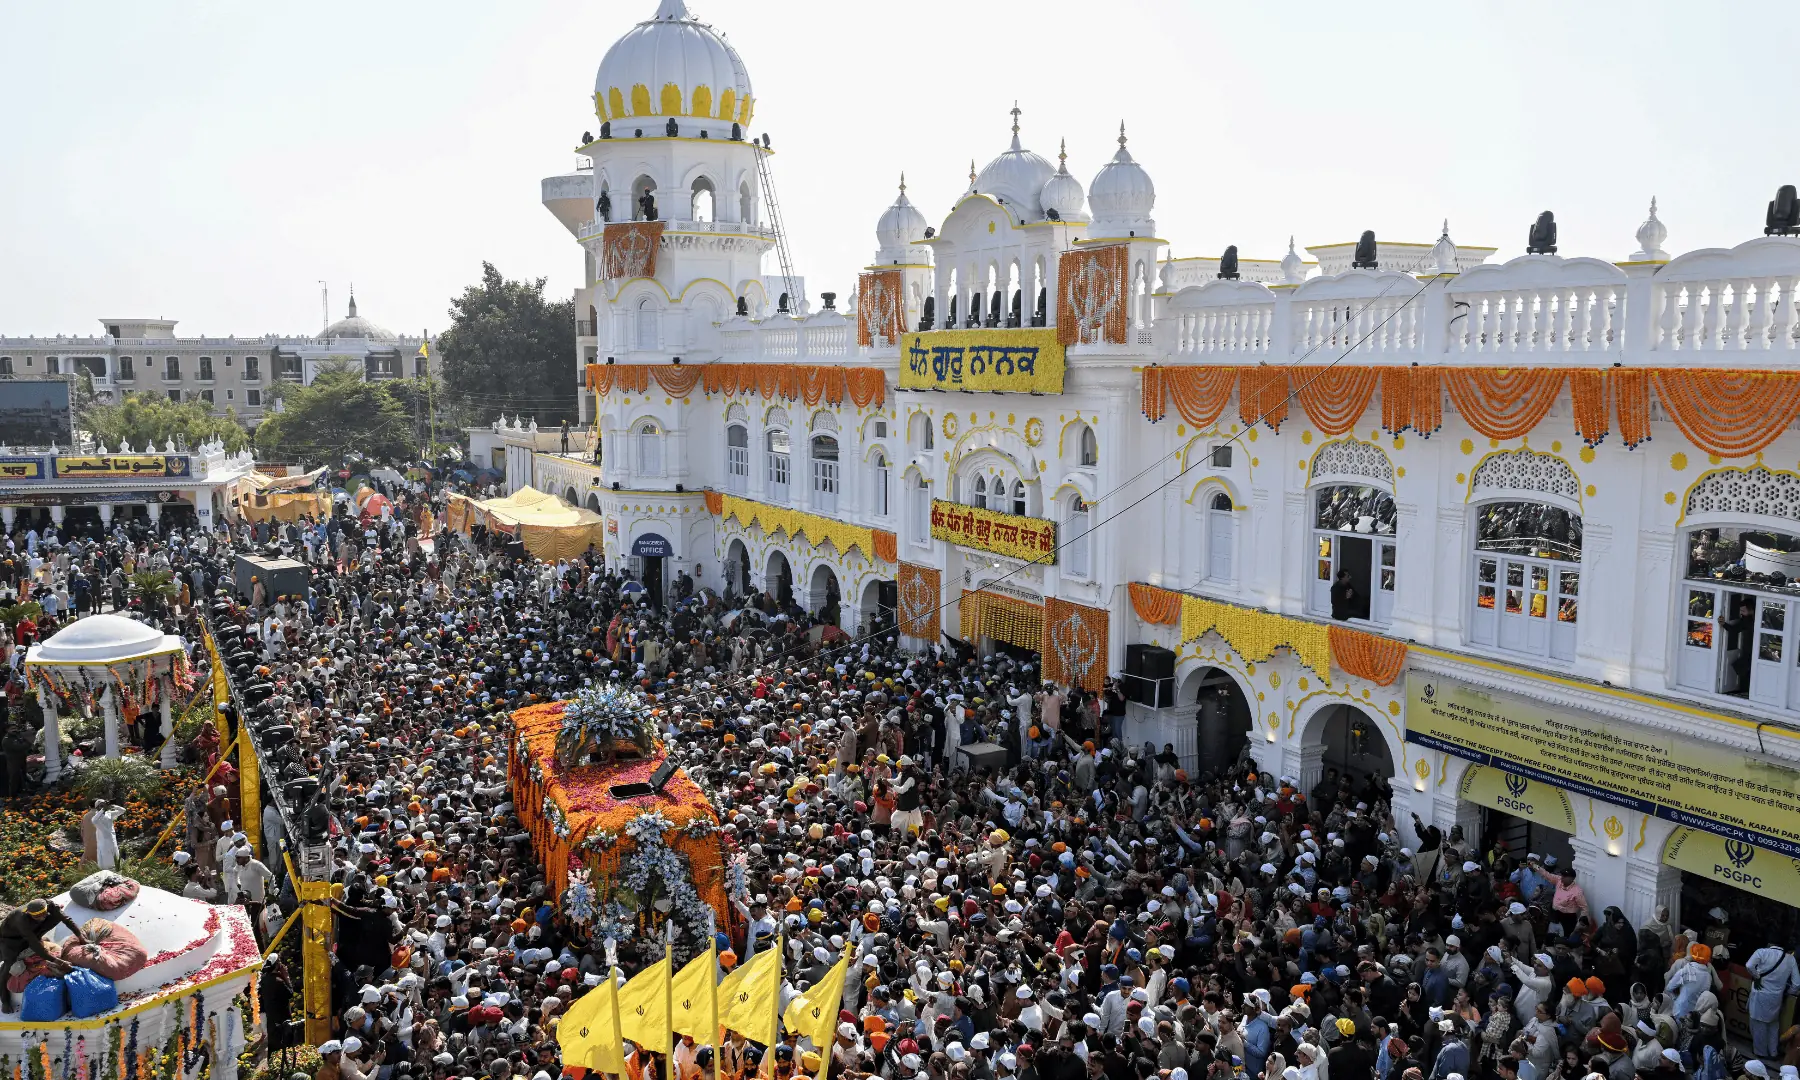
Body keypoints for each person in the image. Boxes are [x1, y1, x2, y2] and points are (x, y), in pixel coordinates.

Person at [0, 898, 84, 1014]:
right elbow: (34, 945)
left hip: (32, 932)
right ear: (29, 914)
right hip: (11, 939)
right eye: (37, 917)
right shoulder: (21, 919)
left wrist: (81, 937)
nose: (41, 918)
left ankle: (40, 937)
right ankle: (5, 1000)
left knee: (56, 916)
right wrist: (57, 961)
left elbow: (67, 920)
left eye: (43, 915)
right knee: (8, 965)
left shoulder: (51, 906)